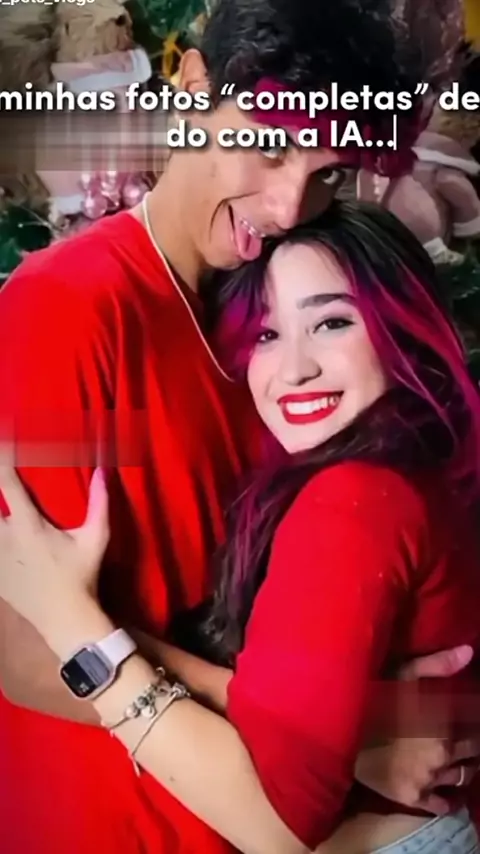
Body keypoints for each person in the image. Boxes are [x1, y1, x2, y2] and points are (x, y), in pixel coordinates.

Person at [0, 1, 478, 852]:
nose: (291, 205)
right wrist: (332, 729)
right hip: (117, 822)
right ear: (191, 90)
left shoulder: (284, 325)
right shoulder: (64, 310)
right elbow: (22, 641)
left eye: (330, 172)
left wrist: (323, 718)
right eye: (270, 146)